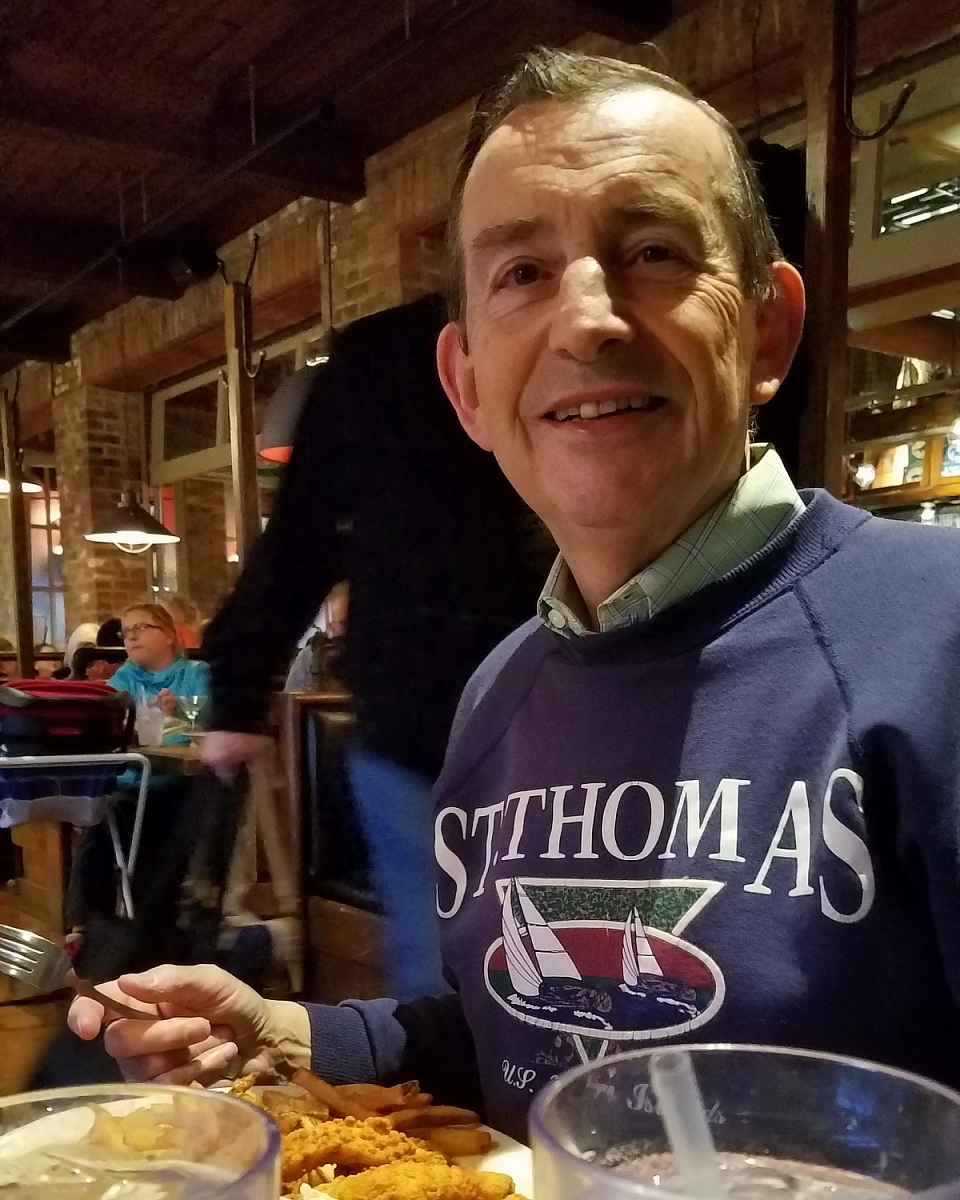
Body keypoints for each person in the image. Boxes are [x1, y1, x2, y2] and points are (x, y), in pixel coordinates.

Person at [69, 48, 960, 1140]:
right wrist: (289, 1035)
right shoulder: (497, 693)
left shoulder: (937, 634)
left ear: (767, 328)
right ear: (469, 387)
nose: (586, 321)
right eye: (523, 273)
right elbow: (518, 1034)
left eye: (652, 251)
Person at [200, 293, 548, 1001]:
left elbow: (303, 533)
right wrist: (238, 690)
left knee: (441, 972)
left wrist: (238, 694)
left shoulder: (378, 354)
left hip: (424, 706)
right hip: (542, 696)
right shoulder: (556, 319)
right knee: (568, 959)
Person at [110, 604, 208, 737]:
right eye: (126, 632)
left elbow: (217, 721)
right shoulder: (122, 679)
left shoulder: (198, 673)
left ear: (169, 635)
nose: (131, 636)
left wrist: (178, 709)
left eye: (141, 627)